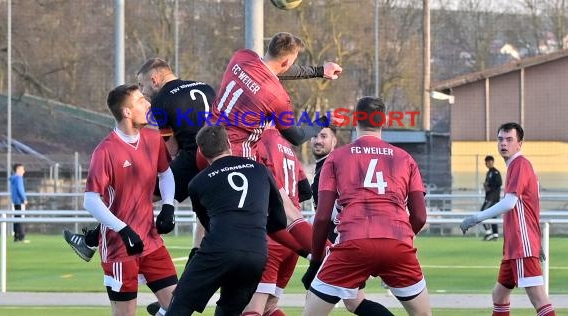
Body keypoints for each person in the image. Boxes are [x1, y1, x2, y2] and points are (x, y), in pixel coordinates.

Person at [64, 58, 215, 260]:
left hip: (191, 157)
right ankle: (198, 258)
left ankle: (90, 240)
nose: (143, 93)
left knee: (137, 198)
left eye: (142, 85)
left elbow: (171, 148)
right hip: (216, 154)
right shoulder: (206, 88)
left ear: (154, 79)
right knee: (208, 212)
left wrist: (162, 172)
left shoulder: (161, 100)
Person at [302, 96, 431, 316]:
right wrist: (400, 240)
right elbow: (419, 216)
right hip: (397, 242)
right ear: (385, 121)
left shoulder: (336, 159)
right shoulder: (405, 158)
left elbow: (323, 217)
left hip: (353, 243)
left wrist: (315, 260)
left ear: (356, 120)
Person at [166, 125, 287, 316]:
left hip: (219, 250)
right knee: (229, 311)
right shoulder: (260, 170)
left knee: (180, 304)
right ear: (229, 143)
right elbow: (280, 220)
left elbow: (208, 225)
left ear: (201, 151)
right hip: (256, 253)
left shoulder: (197, 182)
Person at [83, 84, 178, 316]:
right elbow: (91, 200)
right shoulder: (105, 151)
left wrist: (168, 206)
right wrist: (123, 230)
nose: (148, 104)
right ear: (126, 112)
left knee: (178, 308)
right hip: (119, 248)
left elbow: (165, 174)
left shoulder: (153, 139)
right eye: (140, 101)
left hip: (151, 242)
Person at [460, 123, 556, 316]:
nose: (503, 143)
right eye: (500, 139)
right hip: (515, 246)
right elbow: (530, 207)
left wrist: (476, 218)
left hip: (521, 244)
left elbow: (509, 203)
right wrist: (536, 240)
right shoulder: (517, 165)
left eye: (509, 139)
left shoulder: (519, 164)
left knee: (539, 298)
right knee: (499, 295)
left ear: (519, 144)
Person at [210, 32, 339, 159]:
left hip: (206, 144)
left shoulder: (242, 56)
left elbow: (272, 68)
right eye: (292, 62)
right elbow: (297, 137)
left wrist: (320, 71)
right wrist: (324, 121)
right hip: (233, 156)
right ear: (287, 62)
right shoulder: (276, 96)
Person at [242, 128, 312, 316]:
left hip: (272, 235)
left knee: (251, 307)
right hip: (294, 238)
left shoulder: (259, 141)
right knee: (269, 307)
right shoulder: (287, 146)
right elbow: (305, 190)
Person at [481, 155, 502, 241]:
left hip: (492, 198)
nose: (488, 163)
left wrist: (489, 187)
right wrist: (486, 186)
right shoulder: (489, 173)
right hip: (489, 197)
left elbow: (499, 183)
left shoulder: (496, 172)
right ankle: (495, 234)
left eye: (490, 162)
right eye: (487, 162)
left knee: (482, 213)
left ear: (493, 162)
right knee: (493, 215)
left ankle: (489, 232)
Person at [10, 163, 29, 243]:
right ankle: (21, 237)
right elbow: (20, 189)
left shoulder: (13, 178)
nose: (24, 171)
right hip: (19, 201)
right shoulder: (18, 178)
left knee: (16, 218)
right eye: (22, 169)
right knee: (20, 219)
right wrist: (24, 199)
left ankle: (16, 237)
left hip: (15, 201)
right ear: (18, 169)